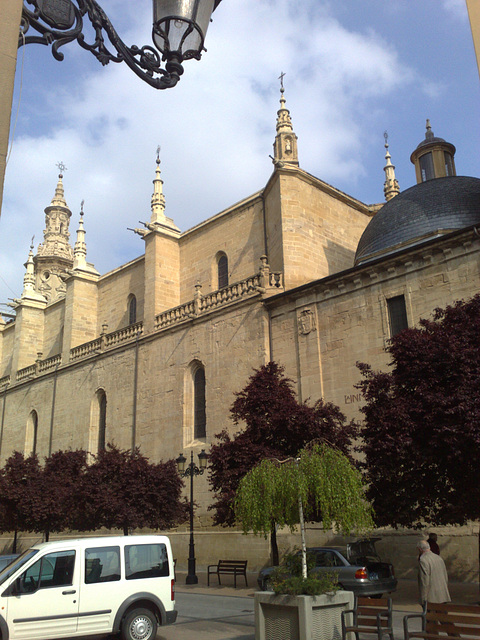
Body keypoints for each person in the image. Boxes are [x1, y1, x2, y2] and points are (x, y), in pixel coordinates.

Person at [417, 540, 451, 605]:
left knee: (431, 614)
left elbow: (424, 581)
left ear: (419, 549)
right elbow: (445, 576)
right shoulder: (438, 558)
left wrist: (423, 599)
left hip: (432, 597)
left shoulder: (423, 560)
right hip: (443, 594)